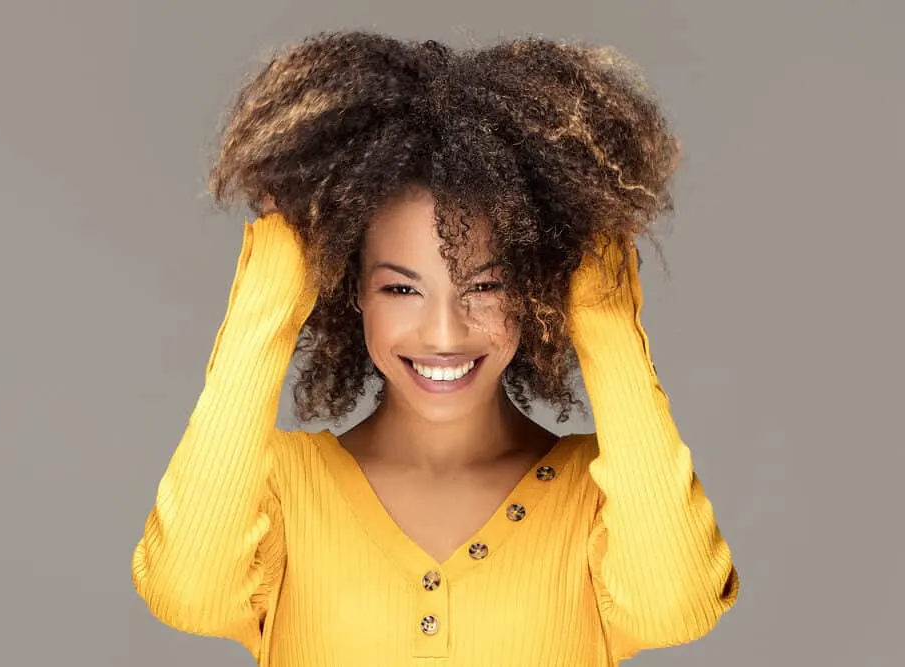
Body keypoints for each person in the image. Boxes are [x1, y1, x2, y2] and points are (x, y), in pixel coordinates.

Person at [131, 30, 739, 666]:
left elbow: (677, 606)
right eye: (401, 287)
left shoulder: (599, 501)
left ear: (534, 291)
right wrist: (276, 287)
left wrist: (602, 310)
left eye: (485, 285)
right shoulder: (281, 488)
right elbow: (187, 592)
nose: (444, 334)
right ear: (351, 287)